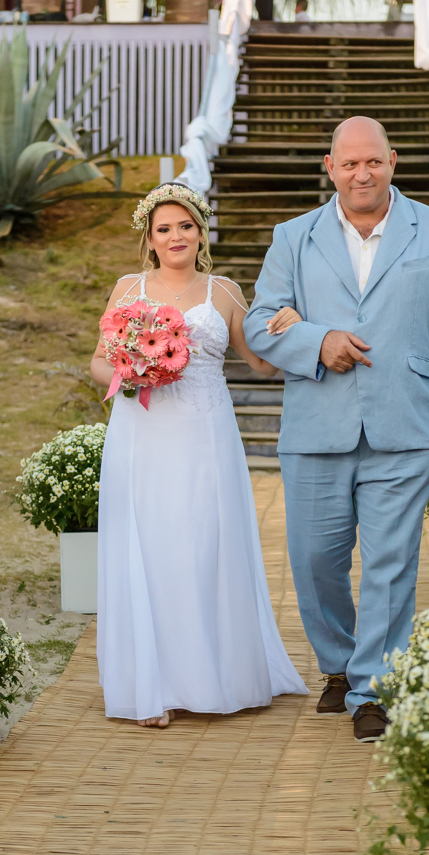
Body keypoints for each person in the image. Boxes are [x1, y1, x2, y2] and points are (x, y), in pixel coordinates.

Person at [243, 116, 429, 743]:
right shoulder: (293, 237)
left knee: (391, 564)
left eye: (373, 161)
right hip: (315, 427)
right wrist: (316, 340)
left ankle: (372, 689)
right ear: (330, 167)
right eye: (349, 163)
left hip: (404, 427)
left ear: (393, 161)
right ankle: (338, 664)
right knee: (314, 562)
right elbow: (259, 321)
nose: (362, 173)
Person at [90, 183, 308, 727]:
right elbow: (97, 361)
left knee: (204, 547)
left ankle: (214, 676)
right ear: (149, 238)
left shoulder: (224, 292)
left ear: (200, 232)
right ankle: (153, 686)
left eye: (185, 226)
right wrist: (131, 369)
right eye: (164, 228)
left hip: (206, 439)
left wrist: (292, 324)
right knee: (149, 547)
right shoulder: (127, 289)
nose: (175, 236)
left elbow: (261, 363)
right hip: (141, 435)